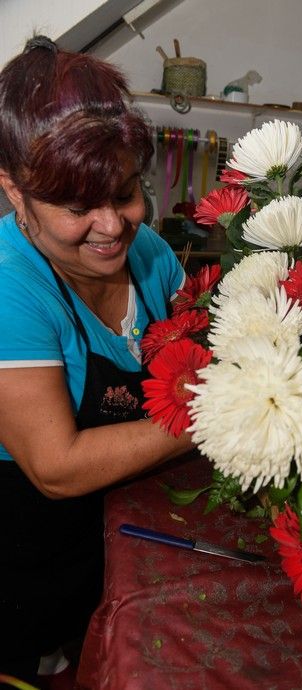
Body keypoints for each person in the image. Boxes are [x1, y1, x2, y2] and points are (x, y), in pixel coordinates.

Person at [0, 36, 193, 687]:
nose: (112, 226)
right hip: (20, 570)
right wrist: (222, 416)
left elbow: (197, 353)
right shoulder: (8, 287)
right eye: (78, 208)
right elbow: (56, 467)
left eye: (126, 192)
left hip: (116, 547)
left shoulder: (153, 257)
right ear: (14, 192)